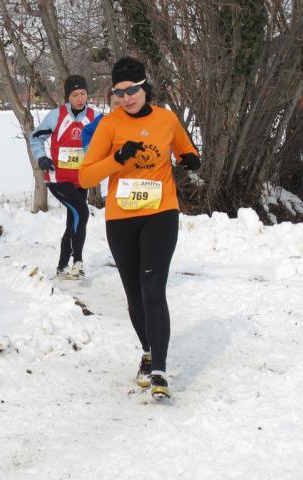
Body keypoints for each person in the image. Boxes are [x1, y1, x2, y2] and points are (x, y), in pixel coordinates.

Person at [79, 57, 201, 398]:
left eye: (131, 90)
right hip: (121, 218)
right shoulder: (110, 125)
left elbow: (183, 146)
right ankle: (148, 350)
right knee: (134, 295)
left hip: (161, 212)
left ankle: (159, 369)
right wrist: (117, 160)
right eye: (118, 92)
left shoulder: (166, 119)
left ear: (144, 86)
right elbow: (86, 176)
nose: (126, 98)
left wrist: (190, 157)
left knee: (152, 288)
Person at [31, 74, 98, 278]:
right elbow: (35, 138)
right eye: (75, 94)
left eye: (83, 94)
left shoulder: (94, 117)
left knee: (74, 220)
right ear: (68, 97)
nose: (79, 98)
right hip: (57, 177)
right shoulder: (57, 115)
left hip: (81, 178)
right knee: (82, 213)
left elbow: (107, 140)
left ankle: (62, 266)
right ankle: (77, 261)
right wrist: (42, 158)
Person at [82, 90, 121, 202]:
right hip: (113, 167)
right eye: (116, 104)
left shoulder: (141, 121)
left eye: (122, 102)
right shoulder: (104, 121)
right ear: (110, 105)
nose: (121, 107)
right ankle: (98, 199)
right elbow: (86, 131)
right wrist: (89, 150)